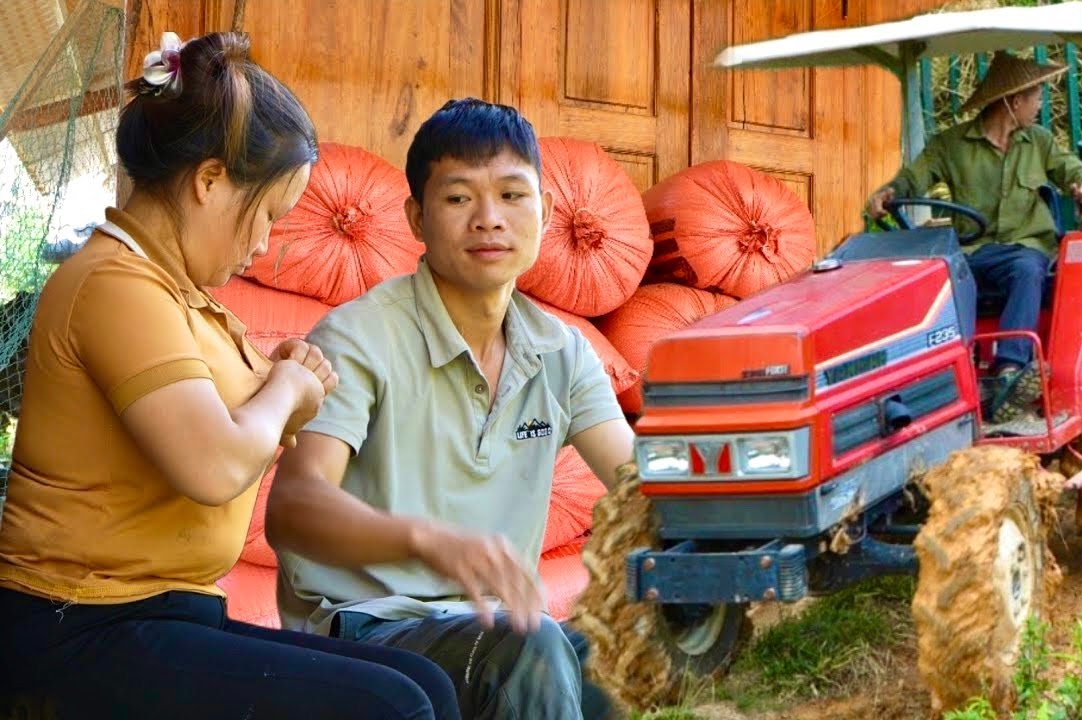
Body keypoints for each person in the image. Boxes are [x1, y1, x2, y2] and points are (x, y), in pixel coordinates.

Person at [0, 31, 459, 720]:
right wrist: (286, 391)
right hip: (80, 622)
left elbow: (237, 411)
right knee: (390, 707)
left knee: (425, 683)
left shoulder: (180, 294)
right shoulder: (115, 285)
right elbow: (214, 464)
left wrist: (288, 384)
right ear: (210, 181)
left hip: (162, 612)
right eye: (268, 214)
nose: (264, 243)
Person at [265, 98, 636, 720]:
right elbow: (293, 510)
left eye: (514, 195)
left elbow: (640, 486)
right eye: (459, 198)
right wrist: (426, 540)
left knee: (629, 661)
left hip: (499, 628)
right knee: (533, 645)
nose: (489, 220)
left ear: (545, 212)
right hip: (366, 634)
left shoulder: (563, 351)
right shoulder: (360, 337)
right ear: (416, 217)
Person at [866, 51, 1082, 423]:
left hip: (1024, 249)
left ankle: (1008, 373)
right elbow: (915, 176)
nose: (1039, 106)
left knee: (1026, 268)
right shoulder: (951, 145)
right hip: (973, 252)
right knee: (932, 279)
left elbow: (1070, 169)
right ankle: (933, 379)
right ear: (1014, 102)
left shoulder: (1039, 142)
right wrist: (889, 191)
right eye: (1036, 97)